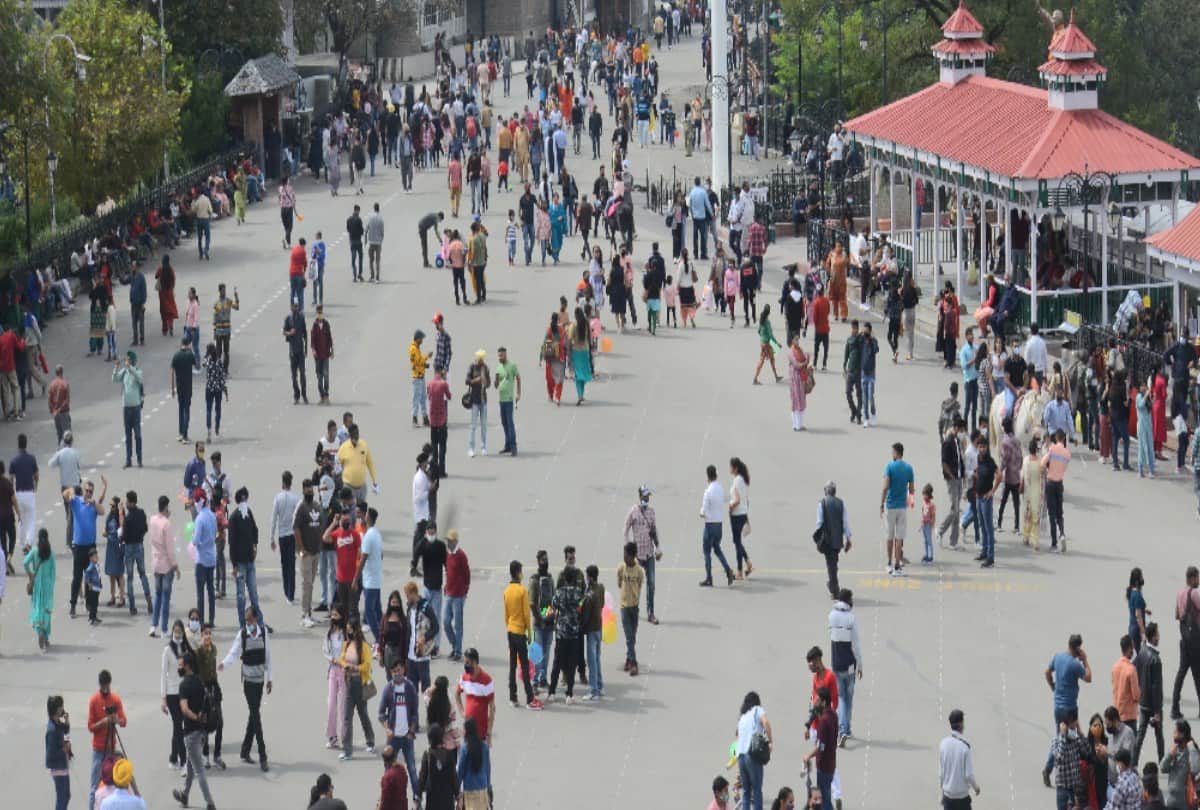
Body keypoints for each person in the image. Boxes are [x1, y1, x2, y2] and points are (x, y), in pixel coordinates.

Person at [219, 606, 273, 771]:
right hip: (248, 681)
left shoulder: (263, 633)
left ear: (256, 619)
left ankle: (244, 751)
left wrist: (269, 679)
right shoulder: (242, 634)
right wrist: (224, 664)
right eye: (246, 620)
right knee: (256, 715)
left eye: (250, 620)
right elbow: (234, 653)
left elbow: (268, 657)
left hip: (259, 681)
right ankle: (263, 755)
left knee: (254, 713)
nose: (247, 623)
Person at [1044, 635, 1093, 785]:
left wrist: (1053, 686)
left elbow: (1047, 672)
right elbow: (1088, 678)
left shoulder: (1058, 657)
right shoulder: (1075, 664)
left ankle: (1049, 769)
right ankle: (1052, 769)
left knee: (1060, 737)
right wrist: (1085, 660)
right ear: (1078, 648)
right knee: (1071, 739)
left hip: (1058, 706)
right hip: (1070, 708)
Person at [378, 658, 421, 808]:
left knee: (412, 768)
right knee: (388, 770)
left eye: (399, 670)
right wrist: (387, 728)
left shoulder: (410, 688)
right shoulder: (388, 690)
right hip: (393, 737)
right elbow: (381, 713)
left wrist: (412, 730)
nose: (397, 673)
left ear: (404, 669)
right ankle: (386, 795)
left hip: (407, 736)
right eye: (394, 671)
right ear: (391, 673)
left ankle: (417, 796)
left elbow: (415, 713)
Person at [502, 559, 542, 708]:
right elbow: (526, 614)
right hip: (520, 632)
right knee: (524, 666)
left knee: (512, 665)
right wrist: (529, 633)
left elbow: (506, 614)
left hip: (510, 631)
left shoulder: (506, 591)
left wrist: (509, 627)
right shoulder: (522, 591)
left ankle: (513, 696)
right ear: (518, 572)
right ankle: (530, 698)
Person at [87, 670, 128, 810]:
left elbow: (124, 722)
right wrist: (104, 722)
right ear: (100, 684)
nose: (105, 689)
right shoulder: (94, 700)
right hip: (98, 750)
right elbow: (91, 727)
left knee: (114, 786)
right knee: (94, 788)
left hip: (111, 750)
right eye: (103, 686)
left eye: (107, 686)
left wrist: (116, 719)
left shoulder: (115, 699)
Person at [828, 588, 863, 747]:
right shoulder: (851, 618)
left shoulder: (831, 616)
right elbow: (855, 645)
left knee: (841, 697)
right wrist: (860, 665)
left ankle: (845, 729)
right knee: (847, 698)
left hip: (836, 664)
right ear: (848, 600)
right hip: (849, 665)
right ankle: (843, 730)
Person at [339, 619, 376, 760]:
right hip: (348, 682)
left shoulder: (364, 646)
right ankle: (347, 749)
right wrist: (345, 665)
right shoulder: (346, 644)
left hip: (359, 683)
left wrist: (355, 667)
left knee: (362, 713)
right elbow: (341, 659)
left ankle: (370, 740)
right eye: (347, 629)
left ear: (355, 630)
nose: (348, 632)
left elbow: (367, 665)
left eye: (350, 629)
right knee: (347, 716)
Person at [880, 443, 914, 575]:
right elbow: (911, 489)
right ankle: (897, 564)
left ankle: (889, 563)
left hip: (891, 505)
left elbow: (885, 487)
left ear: (896, 452)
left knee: (889, 536)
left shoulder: (889, 466)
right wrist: (910, 503)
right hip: (902, 507)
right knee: (899, 538)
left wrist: (881, 504)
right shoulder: (909, 468)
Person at [736, 691, 774, 810]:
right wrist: (770, 741)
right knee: (757, 789)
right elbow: (766, 722)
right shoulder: (757, 709)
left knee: (746, 791)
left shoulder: (742, 716)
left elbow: (737, 735)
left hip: (740, 756)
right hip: (751, 754)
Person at [699, 464, 735, 587]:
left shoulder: (707, 491)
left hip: (710, 525)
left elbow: (704, 511)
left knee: (706, 551)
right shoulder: (720, 488)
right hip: (719, 525)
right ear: (716, 475)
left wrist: (701, 513)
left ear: (707, 476)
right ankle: (728, 570)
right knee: (717, 548)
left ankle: (709, 577)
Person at [939, 709, 981, 809]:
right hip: (962, 799)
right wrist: (976, 788)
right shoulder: (965, 746)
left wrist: (942, 795)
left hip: (948, 798)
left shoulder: (943, 744)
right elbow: (969, 775)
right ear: (961, 724)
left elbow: (941, 773)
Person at [1136, 622, 1165, 764]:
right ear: (1153, 637)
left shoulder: (1141, 651)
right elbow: (1156, 688)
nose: (1159, 637)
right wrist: (1157, 711)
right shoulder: (1156, 660)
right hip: (1153, 707)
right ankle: (1163, 762)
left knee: (1140, 735)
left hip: (1143, 702)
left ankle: (1134, 762)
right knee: (1159, 736)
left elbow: (1137, 672)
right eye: (1157, 634)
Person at [617, 541, 645, 677]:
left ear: (633, 556)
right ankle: (634, 664)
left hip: (634, 606)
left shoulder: (639, 571)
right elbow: (619, 582)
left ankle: (628, 659)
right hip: (624, 607)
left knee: (632, 636)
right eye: (624, 555)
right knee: (629, 637)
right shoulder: (621, 568)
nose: (624, 558)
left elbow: (640, 585)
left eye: (627, 555)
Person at [112, 352, 144, 468]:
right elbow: (114, 379)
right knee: (128, 435)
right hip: (126, 407)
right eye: (127, 360)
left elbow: (140, 379)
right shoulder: (124, 372)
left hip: (135, 407)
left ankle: (139, 458)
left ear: (133, 361)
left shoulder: (137, 371)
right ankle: (128, 459)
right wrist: (116, 366)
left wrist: (130, 368)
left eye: (129, 360)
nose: (127, 362)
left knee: (138, 435)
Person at [1160, 719, 1200, 810]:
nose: (1173, 734)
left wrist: (1192, 749)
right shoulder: (1174, 749)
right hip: (1172, 800)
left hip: (1186, 801)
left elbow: (1195, 770)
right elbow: (1162, 768)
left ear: (1182, 734)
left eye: (1175, 732)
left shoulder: (1192, 750)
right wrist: (1170, 755)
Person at [25, 529, 55, 650]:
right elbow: (53, 571)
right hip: (47, 585)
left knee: (37, 607)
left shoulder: (34, 551)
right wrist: (51, 584)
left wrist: (31, 574)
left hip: (37, 584)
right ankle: (46, 635)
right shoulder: (50, 553)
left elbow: (25, 562)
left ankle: (39, 631)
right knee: (47, 609)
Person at [457, 717, 491, 810]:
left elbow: (461, 770)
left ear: (467, 731)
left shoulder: (465, 748)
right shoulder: (484, 746)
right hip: (482, 787)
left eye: (463, 729)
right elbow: (487, 769)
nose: (462, 731)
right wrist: (488, 786)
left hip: (470, 788)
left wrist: (456, 790)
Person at [45, 694, 72, 810]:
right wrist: (64, 750)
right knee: (62, 798)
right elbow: (50, 755)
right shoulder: (51, 730)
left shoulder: (57, 723)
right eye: (60, 707)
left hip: (63, 766)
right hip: (58, 769)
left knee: (66, 796)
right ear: (55, 710)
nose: (62, 708)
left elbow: (65, 729)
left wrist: (66, 721)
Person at [728, 457, 753, 578]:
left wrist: (731, 506)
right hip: (743, 514)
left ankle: (739, 571)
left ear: (735, 468)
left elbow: (737, 500)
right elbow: (746, 501)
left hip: (736, 515)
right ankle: (748, 563)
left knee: (737, 543)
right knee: (737, 541)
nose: (729, 469)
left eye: (730, 467)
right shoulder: (744, 480)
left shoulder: (737, 480)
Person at [494, 346, 521, 456]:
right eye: (499, 355)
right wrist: (496, 380)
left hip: (509, 399)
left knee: (510, 423)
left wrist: (519, 393)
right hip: (501, 400)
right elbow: (496, 385)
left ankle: (513, 446)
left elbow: (518, 378)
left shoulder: (512, 366)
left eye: (502, 355)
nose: (500, 357)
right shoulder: (498, 368)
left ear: (506, 355)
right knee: (504, 423)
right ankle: (507, 445)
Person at [171, 337, 196, 443]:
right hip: (188, 387)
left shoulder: (176, 355)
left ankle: (181, 433)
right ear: (189, 344)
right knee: (187, 411)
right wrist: (192, 351)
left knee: (181, 410)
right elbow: (196, 365)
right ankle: (185, 435)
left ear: (181, 343)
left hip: (179, 387)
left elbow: (172, 373)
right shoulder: (190, 355)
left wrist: (172, 388)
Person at [284, 302, 309, 405]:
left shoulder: (301, 318)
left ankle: (304, 394)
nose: (295, 308)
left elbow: (305, 333)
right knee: (294, 376)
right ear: (291, 307)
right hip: (292, 351)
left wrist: (306, 348)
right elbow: (284, 331)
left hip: (300, 351)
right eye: (294, 306)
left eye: (297, 306)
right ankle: (296, 395)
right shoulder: (288, 319)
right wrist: (290, 333)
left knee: (302, 373)